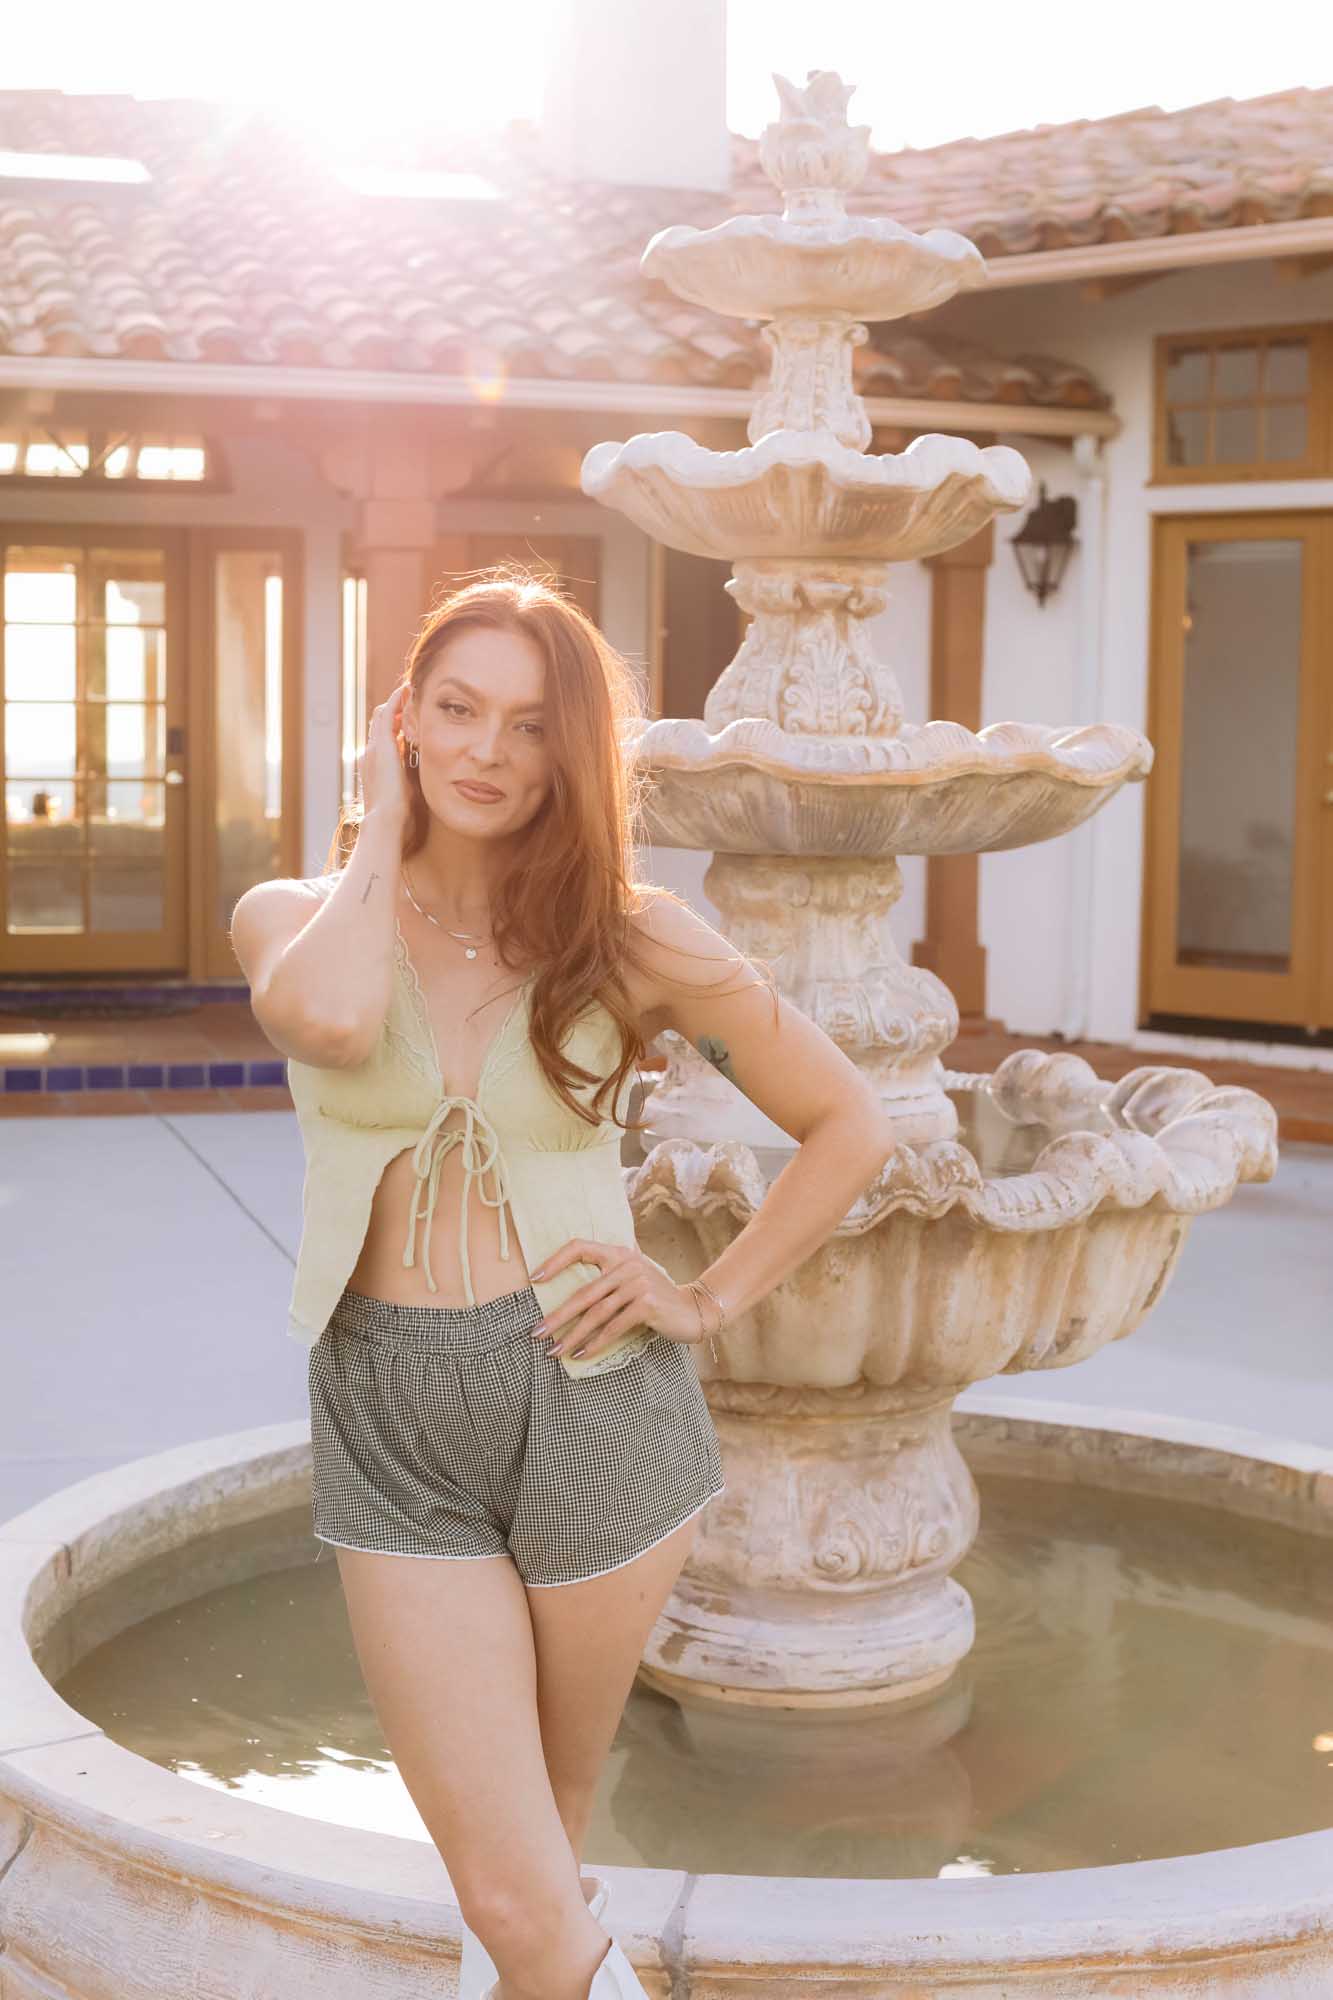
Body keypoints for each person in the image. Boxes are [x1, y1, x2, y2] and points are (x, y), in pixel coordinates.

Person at [229, 571, 893, 2000]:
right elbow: (332, 1018)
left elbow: (848, 1125)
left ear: (570, 753)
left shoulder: (632, 939)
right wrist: (380, 820)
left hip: (592, 1402)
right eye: (454, 712)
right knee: (514, 1890)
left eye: (528, 727)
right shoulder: (292, 912)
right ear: (399, 722)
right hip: (391, 1411)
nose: (485, 751)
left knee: (544, 1859)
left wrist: (704, 1299)